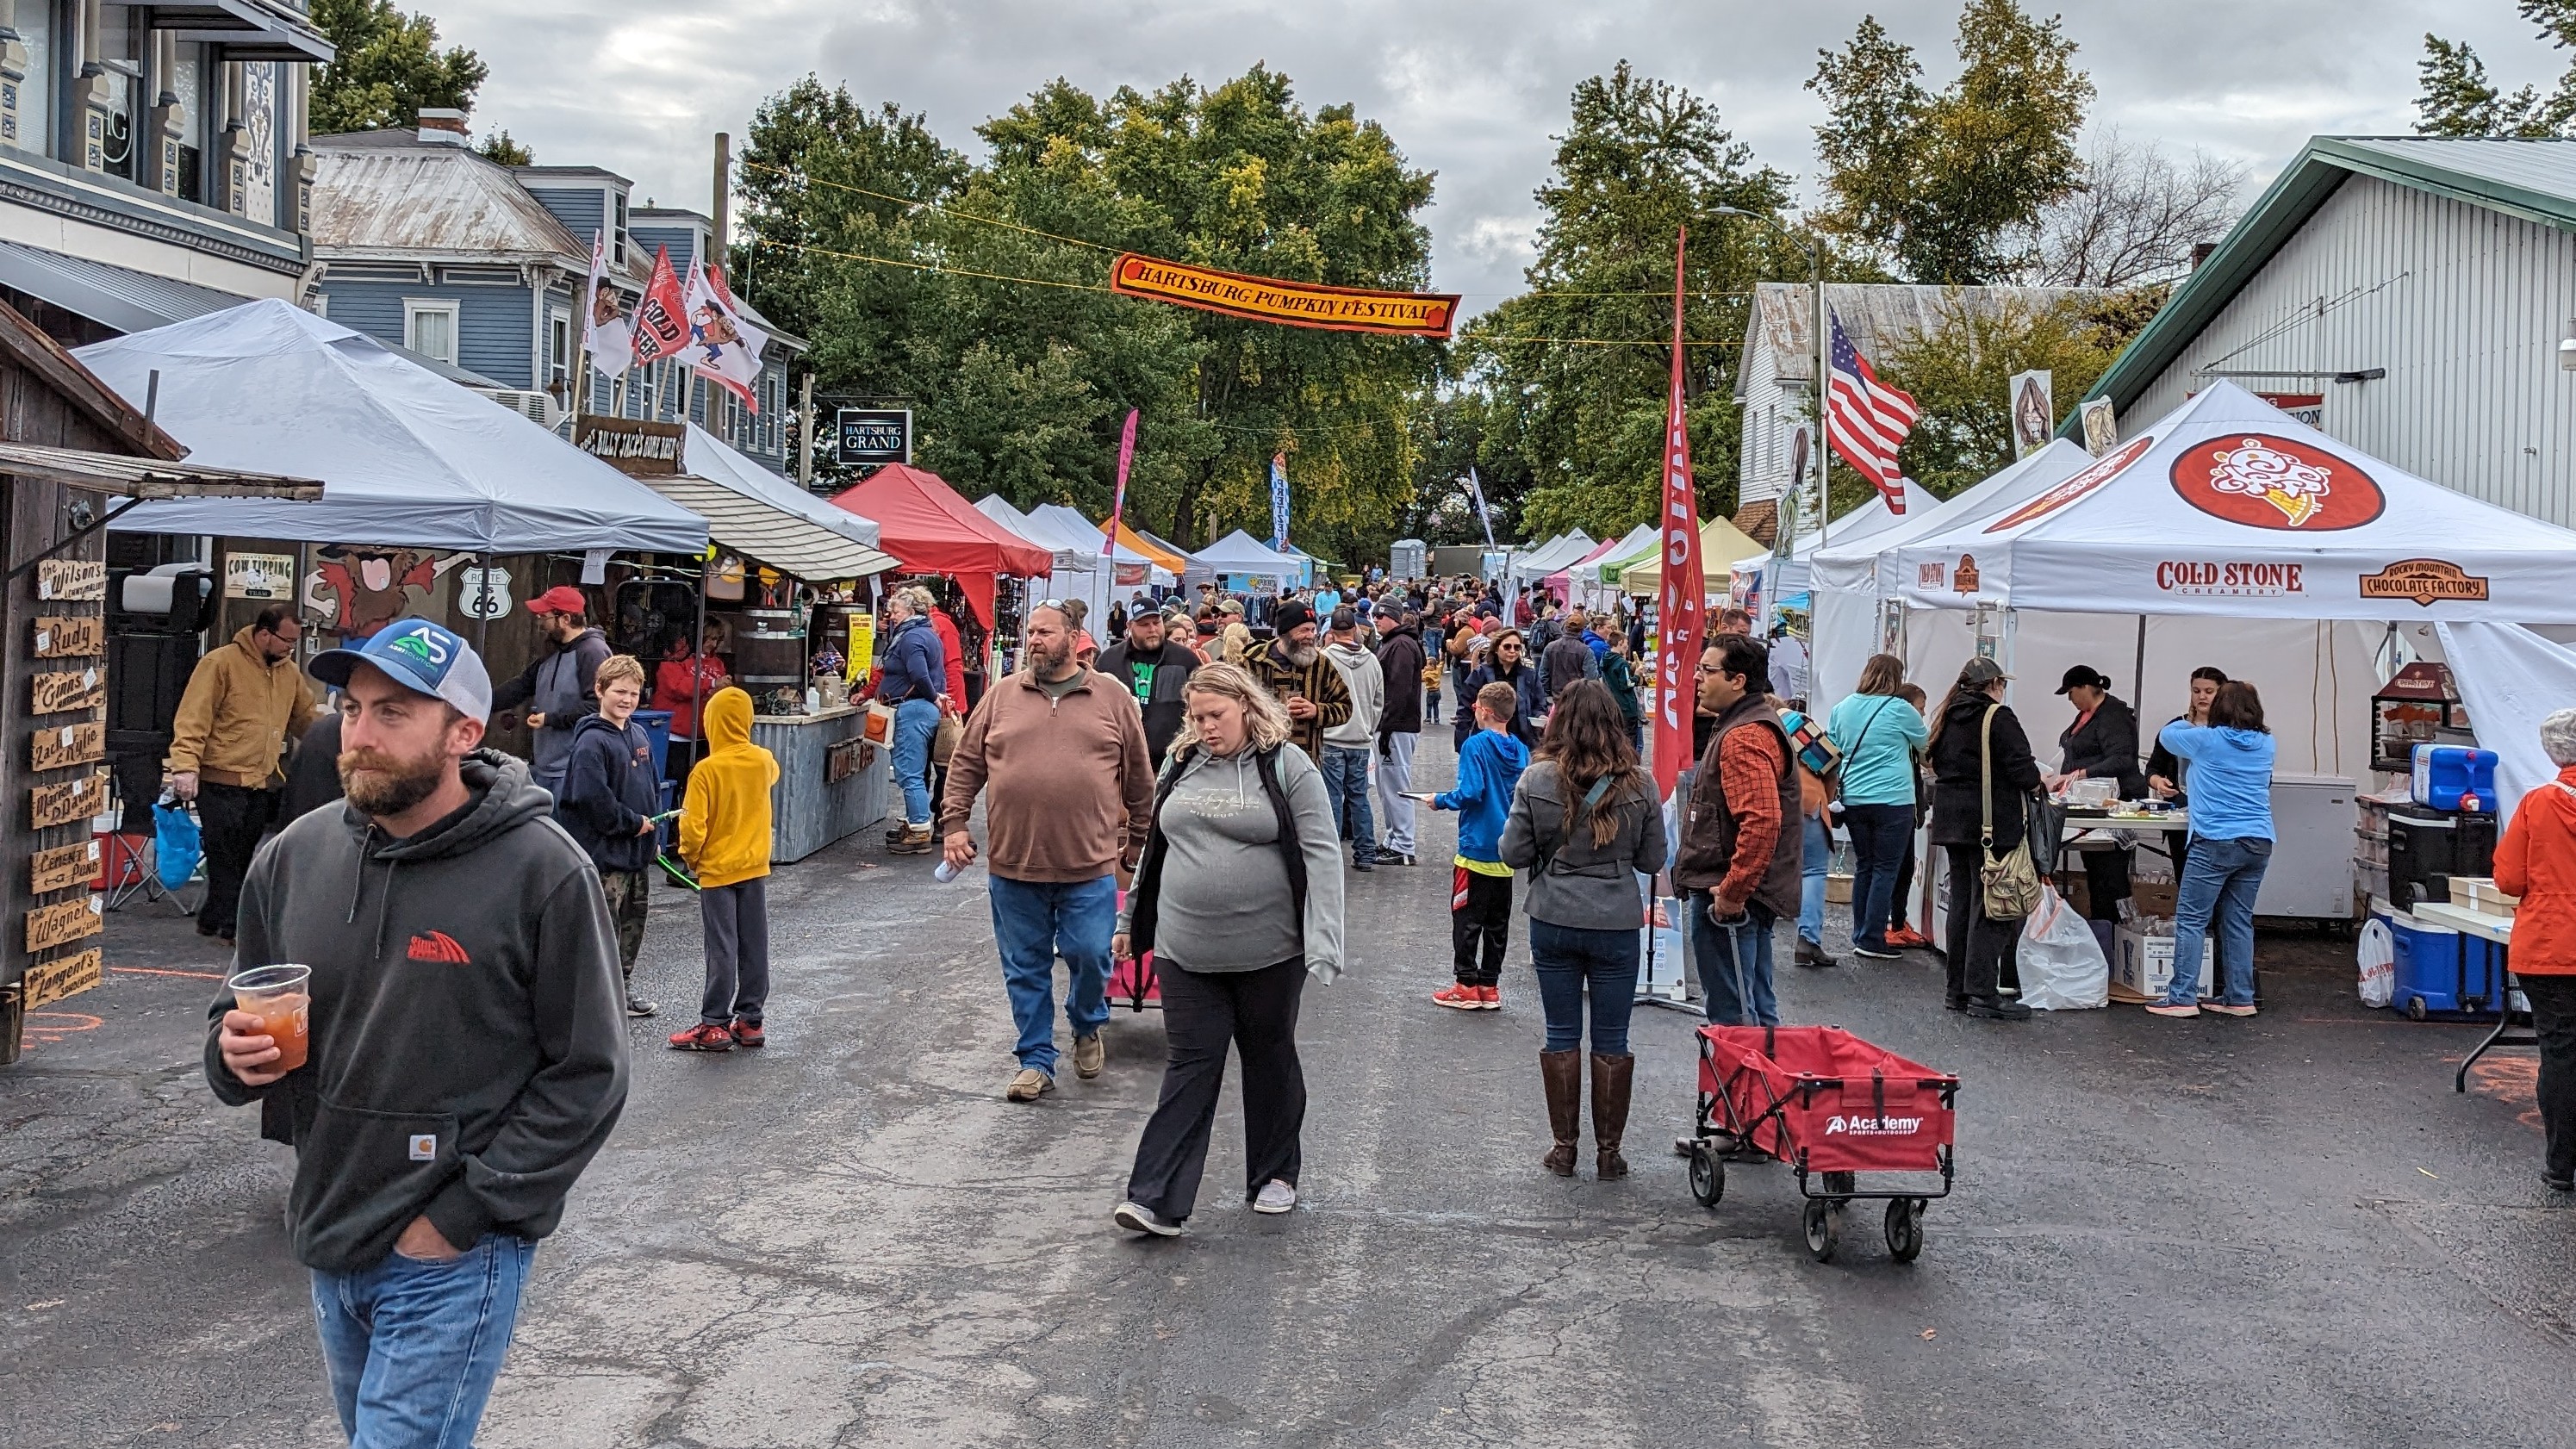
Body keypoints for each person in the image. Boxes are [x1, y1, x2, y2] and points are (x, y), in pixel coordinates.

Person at [204, 618, 627, 1446]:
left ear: (464, 733)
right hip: (331, 1225)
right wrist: (231, 1054)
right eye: (351, 708)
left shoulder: (544, 869)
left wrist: (462, 1215)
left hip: (452, 1251)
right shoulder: (291, 857)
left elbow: (590, 1072)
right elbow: (236, 1007)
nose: (358, 736)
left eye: (393, 713)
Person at [1111, 663, 1344, 1236]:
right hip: (1184, 946)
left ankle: (1275, 1174)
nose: (1205, 727)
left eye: (1215, 715)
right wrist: (1128, 918)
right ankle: (1155, 1199)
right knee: (1190, 1062)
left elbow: (1322, 855)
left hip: (1270, 951)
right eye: (1197, 716)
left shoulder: (1288, 766)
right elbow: (1153, 850)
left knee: (1268, 1055)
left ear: (1246, 706)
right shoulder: (1182, 762)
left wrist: (1325, 940)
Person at [942, 603, 1154, 1101]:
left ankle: (1086, 1022)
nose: (1033, 639)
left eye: (1044, 632)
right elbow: (966, 762)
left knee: (1088, 953)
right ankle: (1036, 1059)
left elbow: (1140, 777)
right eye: (1029, 632)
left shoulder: (1112, 698)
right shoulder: (1001, 697)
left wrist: (1139, 839)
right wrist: (954, 824)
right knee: (1025, 965)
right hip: (1015, 863)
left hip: (1091, 863)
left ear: (1074, 637)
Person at [1499, 682, 1664, 1180]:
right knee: (1613, 1037)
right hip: (1615, 920)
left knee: (1561, 1033)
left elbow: (1513, 854)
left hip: (1554, 917)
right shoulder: (1641, 784)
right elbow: (1653, 859)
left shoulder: (1537, 779)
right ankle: (1609, 1154)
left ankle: (1564, 1148)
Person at [165, 602, 317, 942]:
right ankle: (234, 926)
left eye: (295, 642)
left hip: (262, 781)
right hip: (220, 778)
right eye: (286, 641)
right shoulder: (220, 663)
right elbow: (193, 718)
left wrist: (338, 742)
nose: (291, 648)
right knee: (226, 856)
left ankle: (213, 918)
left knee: (243, 855)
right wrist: (186, 767)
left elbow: (306, 719)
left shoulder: (288, 673)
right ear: (264, 634)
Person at [1673, 635, 1800, 1026]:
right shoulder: (1746, 723)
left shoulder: (1744, 735)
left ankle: (1747, 1086)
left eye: (1707, 671)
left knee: (1736, 1016)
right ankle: (1762, 1083)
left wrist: (1732, 892)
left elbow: (1762, 821)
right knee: (1753, 1006)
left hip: (1731, 897)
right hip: (1741, 891)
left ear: (1738, 681)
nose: (1697, 678)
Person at [2146, 681, 2276, 1019]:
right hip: (2259, 841)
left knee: (2192, 920)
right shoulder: (2267, 743)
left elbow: (2166, 735)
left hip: (2215, 840)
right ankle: (2240, 997)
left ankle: (2182, 997)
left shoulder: (2204, 739)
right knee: (2238, 921)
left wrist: (2193, 716)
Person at [1926, 657, 2042, 1020]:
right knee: (1993, 906)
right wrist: (2039, 783)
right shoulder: (1997, 717)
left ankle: (1956, 990)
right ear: (1993, 685)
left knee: (1963, 903)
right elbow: (2022, 769)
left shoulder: (1945, 716)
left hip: (1952, 821)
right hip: (1991, 823)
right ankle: (1981, 992)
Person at [667, 687, 780, 1050]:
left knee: (721, 946)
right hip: (754, 866)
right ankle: (750, 1020)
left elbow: (692, 825)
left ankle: (714, 1023)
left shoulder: (705, 771)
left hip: (718, 871)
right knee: (754, 944)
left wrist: (691, 858)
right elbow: (772, 776)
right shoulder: (763, 761)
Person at [2496, 710, 2576, 1191]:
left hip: (2548, 944)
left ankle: (2561, 1164)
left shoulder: (2538, 803)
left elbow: (2509, 879)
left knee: (2561, 1051)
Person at [558, 654, 663, 1018]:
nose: (627, 699)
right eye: (619, 691)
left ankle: (622, 991)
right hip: (604, 857)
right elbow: (591, 799)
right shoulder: (591, 743)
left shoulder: (639, 733)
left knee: (633, 925)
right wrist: (632, 824)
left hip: (637, 854)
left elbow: (651, 788)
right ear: (600, 690)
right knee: (602, 931)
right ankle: (592, 1001)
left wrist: (652, 836)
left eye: (633, 693)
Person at [1431, 681, 1531, 1011]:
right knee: (1498, 923)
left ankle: (1465, 983)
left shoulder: (1475, 746)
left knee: (1466, 918)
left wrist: (1440, 800)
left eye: (1476, 706)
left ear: (1486, 710)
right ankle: (1489, 985)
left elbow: (1470, 792)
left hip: (1475, 847)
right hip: (1506, 848)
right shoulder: (1522, 750)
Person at [1829, 654, 1932, 961]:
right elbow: (1926, 750)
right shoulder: (1900, 709)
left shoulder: (1842, 707)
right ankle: (1873, 937)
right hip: (1893, 799)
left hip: (1854, 799)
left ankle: (1861, 931)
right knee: (1886, 869)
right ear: (1896, 679)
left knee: (1865, 866)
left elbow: (1833, 752)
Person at [490, 586, 613, 797]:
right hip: (545, 766)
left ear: (565, 619)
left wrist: (551, 719)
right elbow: (521, 686)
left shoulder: (593, 652)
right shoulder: (552, 650)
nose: (539, 622)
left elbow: (598, 706)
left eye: (543, 616)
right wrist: (480, 703)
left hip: (572, 769)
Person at [2051, 664, 2148, 924]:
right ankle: (2103, 930)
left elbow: (2122, 759)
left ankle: (2115, 932)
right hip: (2091, 808)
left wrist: (2080, 774)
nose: (2070, 700)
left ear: (2085, 688)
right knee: (2096, 873)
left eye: (2071, 693)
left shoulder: (2114, 716)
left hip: (2115, 807)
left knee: (2110, 876)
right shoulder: (2088, 714)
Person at [868, 588, 948, 855]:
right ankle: (918, 821)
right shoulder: (928, 634)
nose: (890, 615)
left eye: (896, 611)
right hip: (921, 710)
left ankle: (918, 830)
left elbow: (918, 674)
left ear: (911, 612)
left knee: (910, 773)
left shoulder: (911, 638)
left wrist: (933, 697)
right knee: (915, 771)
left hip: (912, 711)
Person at [1319, 606, 1384, 872]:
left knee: (1332, 798)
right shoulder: (1372, 661)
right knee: (1359, 798)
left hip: (1332, 738)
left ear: (1331, 633)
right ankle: (1365, 853)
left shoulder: (1323, 660)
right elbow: (1379, 702)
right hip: (1360, 740)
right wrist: (1368, 727)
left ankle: (1332, 855)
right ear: (1355, 631)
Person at [1244, 600, 1353, 760]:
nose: (1311, 636)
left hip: (1307, 763)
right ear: (1285, 633)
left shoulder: (1321, 665)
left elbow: (1345, 707)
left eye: (1313, 630)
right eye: (1304, 630)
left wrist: (1316, 711)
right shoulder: (1252, 662)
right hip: (1260, 760)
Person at [1094, 602, 1201, 762]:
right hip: (1121, 761)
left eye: (1156, 623)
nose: (1152, 629)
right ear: (1129, 626)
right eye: (1144, 624)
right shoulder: (1109, 661)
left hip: (1174, 760)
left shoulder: (1185, 660)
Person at [1778, 698, 1839, 971]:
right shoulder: (1797, 722)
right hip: (1808, 801)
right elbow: (1831, 763)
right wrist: (1825, 800)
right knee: (1813, 871)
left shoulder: (1752, 724)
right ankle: (1808, 941)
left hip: (1769, 803)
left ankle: (1756, 937)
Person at [1372, 608, 1427, 867]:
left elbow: (1399, 689)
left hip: (1398, 726)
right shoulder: (1397, 642)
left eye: (1380, 616)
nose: (1375, 620)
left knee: (1397, 786)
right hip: (1394, 725)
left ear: (1393, 617)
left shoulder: (1401, 644)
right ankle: (1395, 839)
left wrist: (1388, 726)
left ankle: (1404, 845)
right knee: (1387, 786)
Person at [1885, 683, 1935, 948]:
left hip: (1895, 804)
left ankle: (1892, 922)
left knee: (1892, 868)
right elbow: (1928, 756)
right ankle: (1892, 925)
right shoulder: (1904, 728)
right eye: (1920, 707)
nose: (1923, 714)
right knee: (1897, 869)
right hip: (1899, 804)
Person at [655, 629, 730, 788]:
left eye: (716, 639)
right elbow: (678, 688)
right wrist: (712, 684)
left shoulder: (717, 664)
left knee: (701, 786)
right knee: (676, 784)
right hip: (677, 735)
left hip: (704, 735)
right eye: (709, 638)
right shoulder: (671, 664)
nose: (713, 644)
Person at [1456, 626, 1543, 751]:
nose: (1512, 651)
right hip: (1487, 741)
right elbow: (1465, 707)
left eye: (1517, 647)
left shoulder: (1529, 675)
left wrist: (1540, 716)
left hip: (1521, 740)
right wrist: (1462, 742)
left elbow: (1539, 704)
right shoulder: (1481, 673)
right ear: (1497, 648)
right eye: (1507, 647)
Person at [1540, 607, 1599, 703]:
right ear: (1582, 630)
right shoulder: (1585, 650)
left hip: (1557, 699)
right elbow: (1592, 678)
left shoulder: (1550, 647)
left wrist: (1548, 695)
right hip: (1578, 701)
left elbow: (1543, 675)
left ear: (1565, 628)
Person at [1601, 630, 1643, 749]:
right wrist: (1637, 675)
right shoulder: (1621, 663)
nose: (1627, 646)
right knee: (1630, 740)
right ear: (1620, 643)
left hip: (1612, 704)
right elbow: (1627, 684)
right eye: (1626, 643)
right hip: (1626, 706)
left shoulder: (1605, 660)